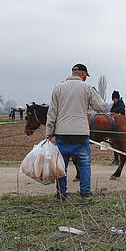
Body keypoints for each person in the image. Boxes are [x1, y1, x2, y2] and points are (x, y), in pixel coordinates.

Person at [46, 63, 105, 200]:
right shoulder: (87, 88)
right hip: (80, 133)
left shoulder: (58, 88)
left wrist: (49, 132)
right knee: (84, 164)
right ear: (83, 74)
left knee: (62, 165)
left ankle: (61, 194)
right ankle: (85, 193)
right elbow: (101, 106)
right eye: (86, 76)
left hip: (62, 133)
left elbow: (52, 113)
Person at [109, 90, 126, 165]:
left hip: (119, 127)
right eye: (113, 99)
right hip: (114, 126)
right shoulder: (115, 104)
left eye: (114, 99)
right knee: (114, 143)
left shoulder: (120, 105)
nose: (113, 100)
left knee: (119, 144)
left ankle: (120, 159)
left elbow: (121, 113)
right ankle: (116, 159)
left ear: (117, 98)